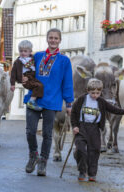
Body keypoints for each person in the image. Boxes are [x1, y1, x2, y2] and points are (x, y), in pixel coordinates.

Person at [23, 28, 74, 176]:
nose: (53, 40)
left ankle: (43, 162)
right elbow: (26, 69)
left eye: (56, 38)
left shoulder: (64, 60)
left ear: (60, 40)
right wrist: (22, 77)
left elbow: (67, 83)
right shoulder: (37, 56)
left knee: (47, 134)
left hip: (52, 100)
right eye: (50, 37)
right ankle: (33, 155)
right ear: (47, 39)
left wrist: (69, 104)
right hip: (34, 99)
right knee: (30, 131)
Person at [71, 78, 124, 182]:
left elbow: (113, 109)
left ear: (100, 92)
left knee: (94, 151)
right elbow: (74, 112)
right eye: (92, 93)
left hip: (94, 129)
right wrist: (74, 126)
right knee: (80, 149)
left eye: (98, 93)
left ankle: (92, 174)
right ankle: (82, 171)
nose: (95, 95)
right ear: (87, 90)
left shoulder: (101, 102)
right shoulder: (82, 100)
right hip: (81, 127)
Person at [10, 40, 43, 111]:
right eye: (21, 51)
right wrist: (12, 84)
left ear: (30, 51)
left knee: (40, 85)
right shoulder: (18, 61)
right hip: (24, 77)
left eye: (25, 51)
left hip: (32, 77)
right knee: (38, 86)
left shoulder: (32, 59)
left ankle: (33, 100)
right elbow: (13, 73)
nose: (23, 53)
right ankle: (31, 102)